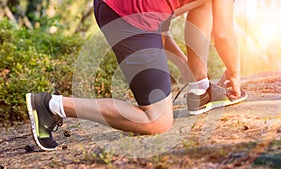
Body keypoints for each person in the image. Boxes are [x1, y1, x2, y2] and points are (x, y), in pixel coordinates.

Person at [26, 0, 246, 151]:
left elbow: (182, 21)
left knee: (206, 3)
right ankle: (50, 106)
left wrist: (196, 80)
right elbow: (223, 34)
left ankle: (200, 90)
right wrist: (234, 72)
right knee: (157, 120)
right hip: (129, 15)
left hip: (123, 8)